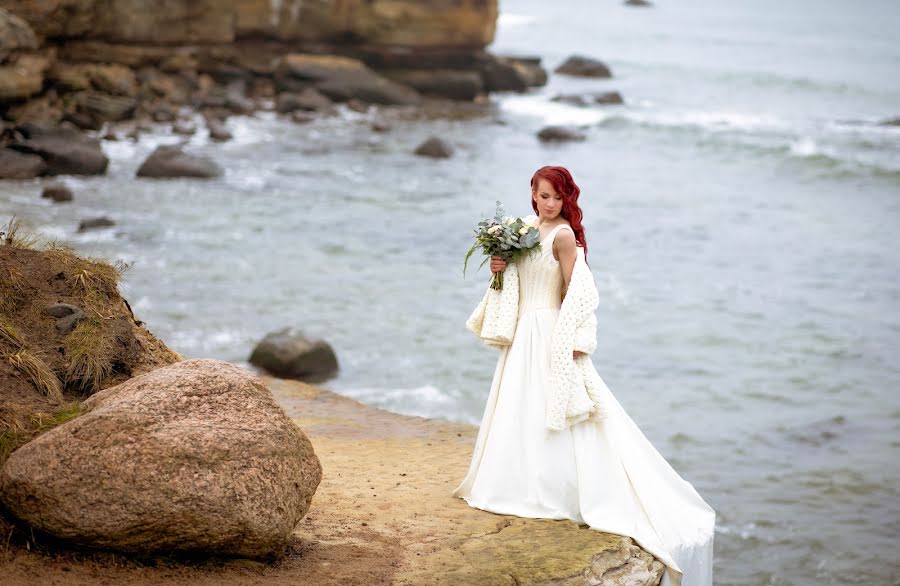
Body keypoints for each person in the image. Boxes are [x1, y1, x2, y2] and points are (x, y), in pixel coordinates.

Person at [452, 165, 716, 586]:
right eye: (543, 195)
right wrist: (497, 268)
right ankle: (514, 479)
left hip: (549, 328)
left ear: (567, 198)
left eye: (557, 197)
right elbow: (511, 281)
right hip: (524, 330)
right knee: (519, 403)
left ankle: (554, 487)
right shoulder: (521, 229)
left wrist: (575, 335)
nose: (549, 203)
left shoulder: (562, 237)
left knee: (552, 400)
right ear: (533, 195)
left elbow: (579, 291)